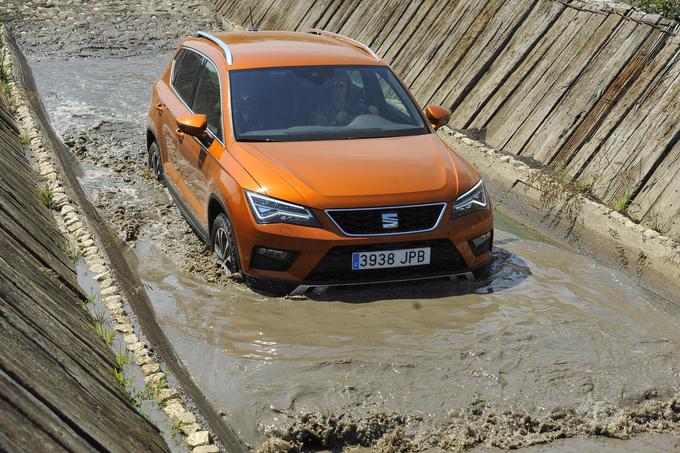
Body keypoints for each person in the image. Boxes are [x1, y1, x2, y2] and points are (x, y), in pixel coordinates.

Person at [313, 74, 378, 126]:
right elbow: (320, 132)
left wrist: (371, 110)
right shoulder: (321, 109)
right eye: (334, 85)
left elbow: (366, 115)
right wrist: (336, 121)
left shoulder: (355, 103)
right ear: (329, 89)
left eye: (342, 84)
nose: (338, 88)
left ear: (347, 86)